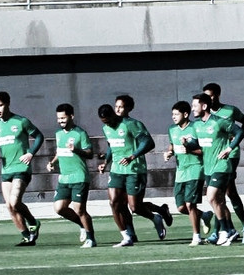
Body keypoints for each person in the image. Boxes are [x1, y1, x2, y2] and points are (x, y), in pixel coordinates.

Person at [97, 96, 173, 248]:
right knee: (114, 202)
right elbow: (112, 145)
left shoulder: (132, 124)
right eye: (117, 106)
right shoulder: (106, 128)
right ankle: (126, 237)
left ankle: (157, 216)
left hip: (134, 169)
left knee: (135, 207)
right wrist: (105, 162)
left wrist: (133, 155)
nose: (118, 109)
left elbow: (149, 143)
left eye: (121, 107)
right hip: (117, 170)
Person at [0, 91, 44, 246]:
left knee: (15, 202)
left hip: (21, 168)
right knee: (9, 205)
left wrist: (30, 153)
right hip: (6, 170)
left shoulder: (21, 121)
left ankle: (33, 222)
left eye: (0, 105)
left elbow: (39, 136)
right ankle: (26, 236)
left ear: (7, 104)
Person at [201, 83, 244, 243]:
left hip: (230, 155)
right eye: (206, 96)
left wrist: (233, 141)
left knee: (226, 193)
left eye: (211, 95)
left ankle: (233, 228)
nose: (209, 99)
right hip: (214, 157)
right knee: (222, 195)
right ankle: (227, 229)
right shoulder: (206, 115)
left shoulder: (230, 110)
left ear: (218, 95)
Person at [192, 92, 244, 245]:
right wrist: (186, 144)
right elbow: (196, 145)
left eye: (195, 105)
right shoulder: (196, 125)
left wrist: (230, 148)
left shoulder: (218, 122)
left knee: (211, 197)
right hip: (208, 168)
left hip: (221, 166)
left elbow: (239, 131)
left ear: (204, 106)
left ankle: (224, 231)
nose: (192, 108)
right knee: (219, 201)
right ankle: (229, 230)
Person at [47, 103, 96, 248]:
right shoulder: (58, 134)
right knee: (59, 208)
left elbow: (90, 153)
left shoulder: (80, 133)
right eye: (58, 118)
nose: (60, 121)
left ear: (71, 116)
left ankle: (91, 239)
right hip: (64, 178)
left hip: (79, 177)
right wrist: (52, 162)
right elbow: (60, 151)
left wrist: (77, 150)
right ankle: (82, 225)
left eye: (63, 118)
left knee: (79, 209)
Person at [164, 100, 206, 246]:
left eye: (176, 114)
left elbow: (204, 150)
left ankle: (196, 236)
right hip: (180, 171)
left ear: (186, 114)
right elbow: (172, 144)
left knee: (190, 204)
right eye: (172, 114)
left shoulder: (196, 127)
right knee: (181, 207)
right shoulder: (172, 129)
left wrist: (189, 148)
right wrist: (169, 152)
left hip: (195, 168)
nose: (173, 117)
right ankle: (204, 215)